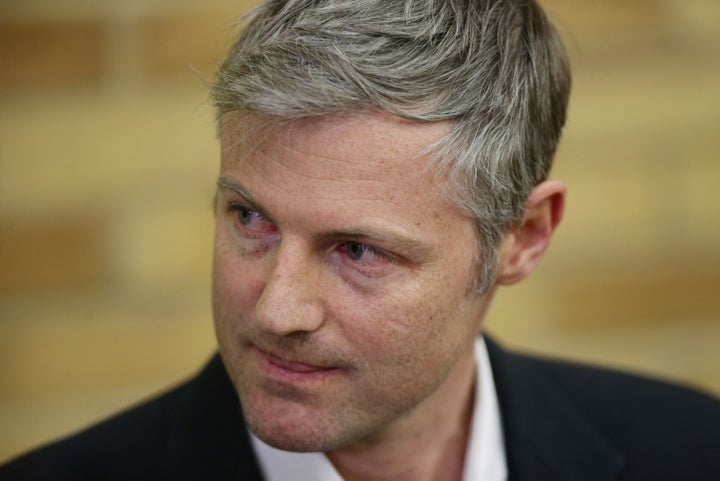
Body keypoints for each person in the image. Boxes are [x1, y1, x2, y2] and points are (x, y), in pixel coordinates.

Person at [2, 0, 719, 480]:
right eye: (251, 219)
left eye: (358, 250)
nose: (277, 310)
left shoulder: (690, 450)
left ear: (522, 238)